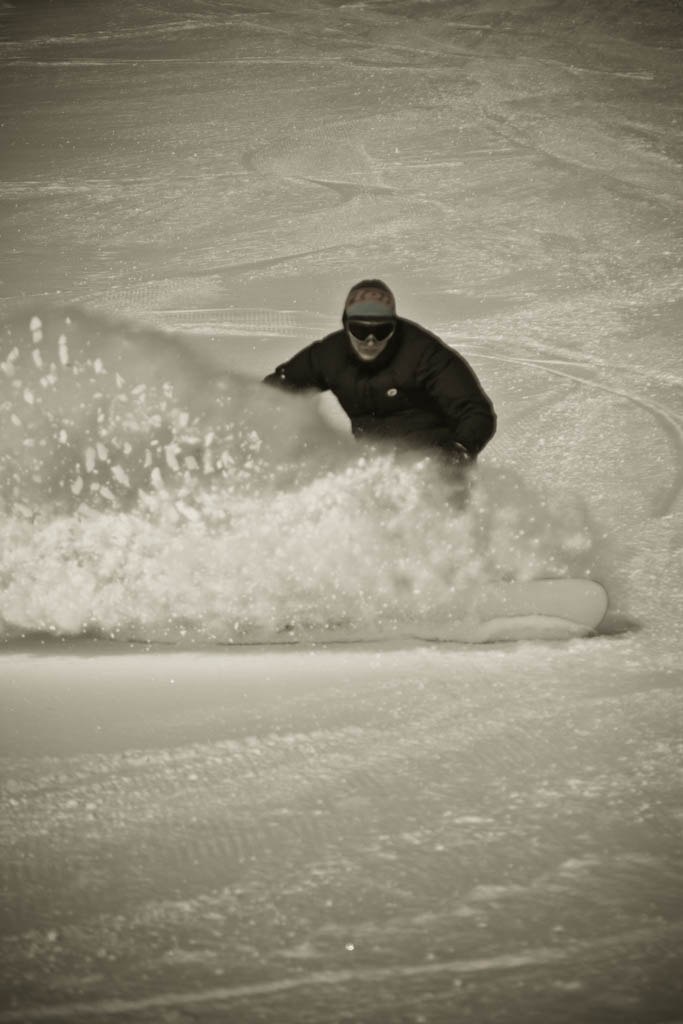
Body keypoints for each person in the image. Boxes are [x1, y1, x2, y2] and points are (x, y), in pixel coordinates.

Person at [263, 279, 496, 467]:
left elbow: (474, 410)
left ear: (393, 328)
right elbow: (278, 389)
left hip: (433, 463)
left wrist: (460, 449)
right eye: (360, 330)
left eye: (382, 331)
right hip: (374, 466)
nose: (370, 341)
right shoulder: (329, 356)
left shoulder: (423, 353)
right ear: (346, 326)